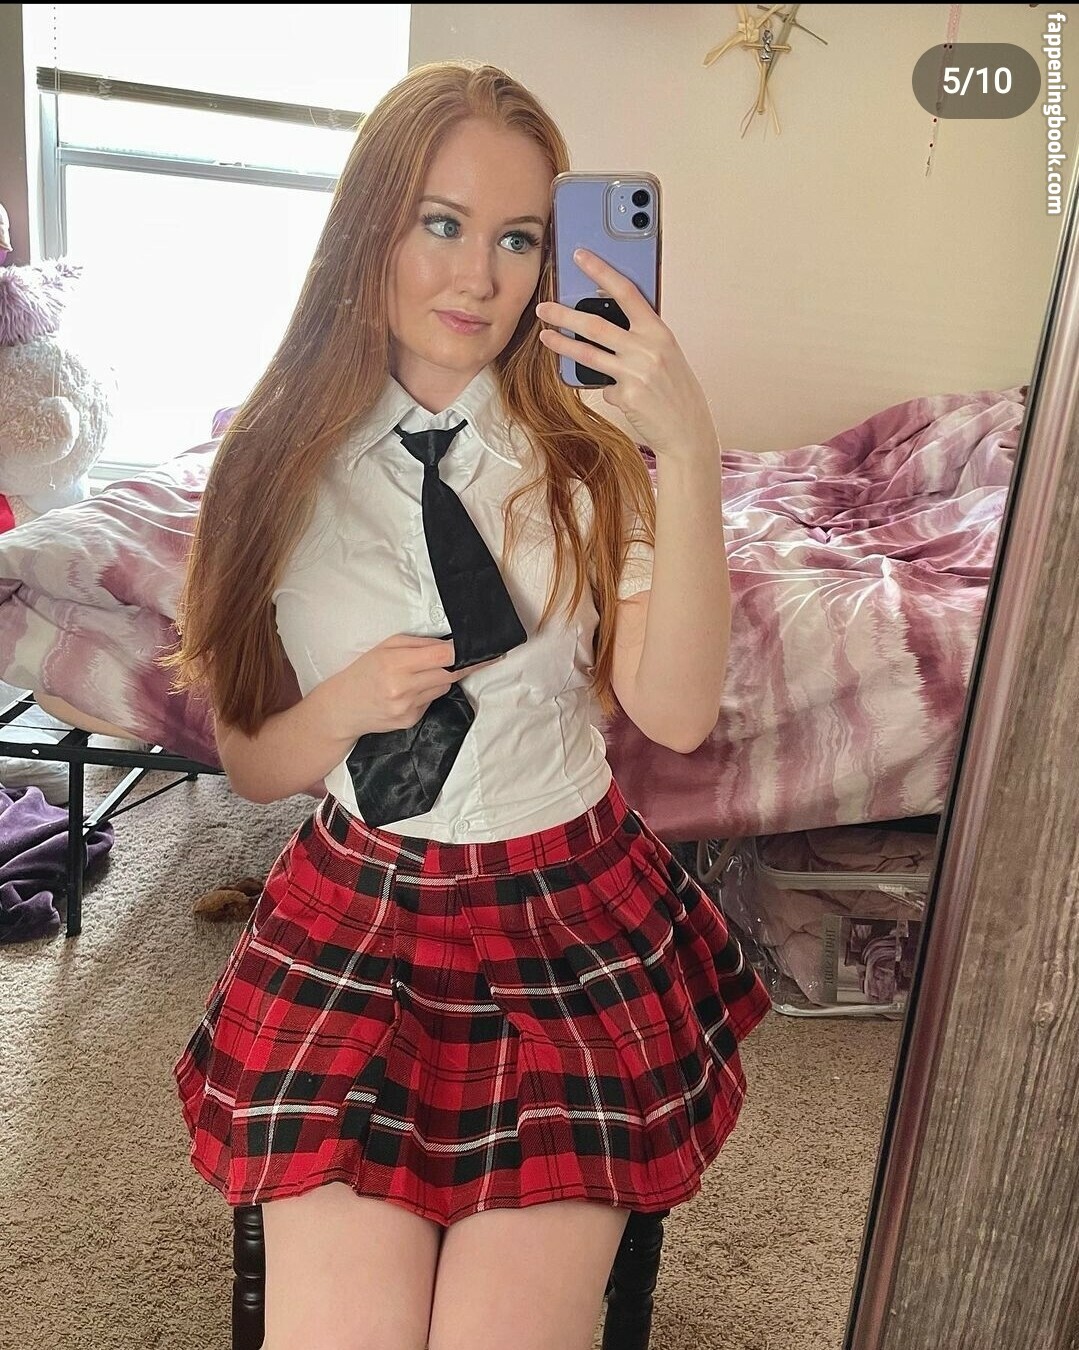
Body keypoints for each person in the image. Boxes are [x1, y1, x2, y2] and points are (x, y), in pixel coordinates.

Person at [171, 59, 770, 1350]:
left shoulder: (591, 464)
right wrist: (343, 702)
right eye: (440, 223)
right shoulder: (268, 469)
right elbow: (255, 762)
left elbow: (673, 717)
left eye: (518, 239)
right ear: (368, 232)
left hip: (564, 914)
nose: (479, 277)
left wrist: (687, 451)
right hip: (359, 910)